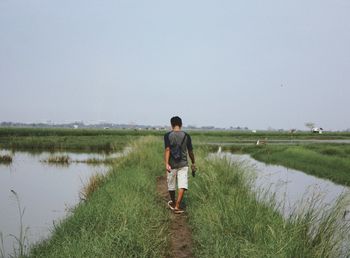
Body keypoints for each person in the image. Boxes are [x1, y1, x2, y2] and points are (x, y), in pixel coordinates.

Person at [164, 116, 196, 214]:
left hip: (171, 164)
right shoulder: (186, 136)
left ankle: (173, 202)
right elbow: (190, 151)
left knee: (171, 184)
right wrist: (193, 162)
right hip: (183, 164)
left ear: (171, 124)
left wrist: (166, 163)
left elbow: (167, 150)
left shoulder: (167, 135)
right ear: (181, 125)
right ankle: (177, 206)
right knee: (182, 184)